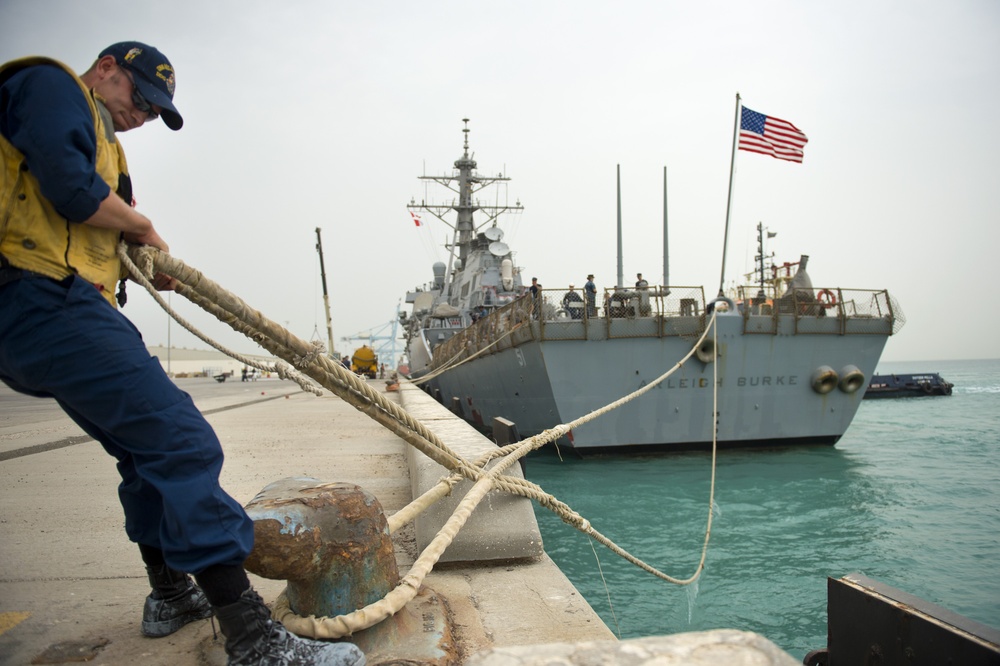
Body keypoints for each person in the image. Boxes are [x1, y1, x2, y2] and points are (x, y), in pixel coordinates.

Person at [0, 43, 364, 666]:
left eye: (155, 109)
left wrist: (140, 253)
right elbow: (69, 188)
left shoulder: (108, 144)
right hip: (43, 298)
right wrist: (140, 229)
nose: (142, 114)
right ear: (107, 67)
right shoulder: (53, 87)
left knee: (143, 451)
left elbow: (88, 217)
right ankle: (254, 641)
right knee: (181, 441)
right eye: (140, 97)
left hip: (54, 309)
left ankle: (170, 594)